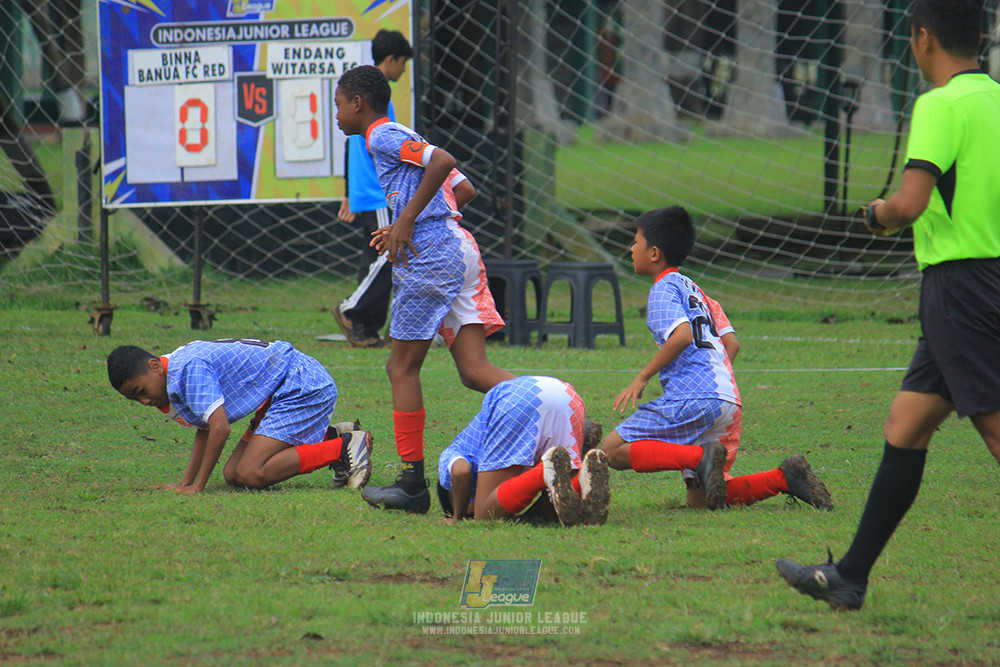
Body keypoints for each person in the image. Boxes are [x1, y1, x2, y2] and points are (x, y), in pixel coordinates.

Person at [776, 0, 1000, 611]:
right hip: (986, 280)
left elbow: (912, 202)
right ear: (979, 36)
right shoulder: (995, 100)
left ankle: (849, 574)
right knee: (906, 423)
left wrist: (875, 215)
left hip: (960, 286)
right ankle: (849, 575)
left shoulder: (939, 104)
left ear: (922, 38)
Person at [333, 64, 513, 513]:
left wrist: (411, 222)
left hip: (432, 257)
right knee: (474, 371)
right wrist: (404, 223)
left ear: (357, 104)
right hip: (458, 249)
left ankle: (412, 484)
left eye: (337, 104)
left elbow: (445, 162)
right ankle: (561, 409)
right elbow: (463, 188)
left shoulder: (379, 135)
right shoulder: (403, 135)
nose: (335, 113)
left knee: (400, 368)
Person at [599, 206, 833, 511]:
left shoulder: (661, 290)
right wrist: (714, 381)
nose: (630, 248)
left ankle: (699, 457)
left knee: (611, 450)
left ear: (654, 253)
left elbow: (681, 336)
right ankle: (783, 478)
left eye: (635, 241)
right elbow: (731, 343)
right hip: (727, 398)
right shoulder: (697, 290)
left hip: (694, 397)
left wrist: (642, 377)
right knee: (703, 498)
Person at [107, 339, 372, 493]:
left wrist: (198, 487)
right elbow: (206, 427)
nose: (144, 401)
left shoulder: (188, 368)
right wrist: (186, 481)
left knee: (251, 472)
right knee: (233, 475)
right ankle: (331, 436)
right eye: (135, 399)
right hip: (279, 390)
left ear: (154, 366)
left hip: (301, 384)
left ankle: (343, 447)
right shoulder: (176, 370)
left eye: (141, 390)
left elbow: (219, 428)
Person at [437, 375, 609, 526]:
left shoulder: (453, 453)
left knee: (484, 515)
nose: (470, 512)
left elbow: (460, 472)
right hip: (567, 395)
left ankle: (543, 471)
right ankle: (582, 481)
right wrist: (529, 516)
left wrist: (457, 517)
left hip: (519, 402)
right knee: (553, 507)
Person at [333, 30, 413, 348]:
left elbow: (351, 144)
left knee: (375, 255)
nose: (404, 70)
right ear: (391, 59)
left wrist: (348, 190)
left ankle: (364, 329)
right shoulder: (377, 99)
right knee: (390, 252)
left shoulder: (363, 97)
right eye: (403, 62)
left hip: (365, 190)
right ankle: (352, 309)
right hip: (378, 190)